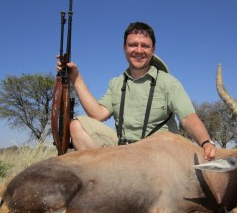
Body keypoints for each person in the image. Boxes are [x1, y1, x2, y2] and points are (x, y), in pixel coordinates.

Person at [57, 22, 216, 160]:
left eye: (145, 46)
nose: (138, 50)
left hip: (159, 153)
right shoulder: (116, 82)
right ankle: (103, 180)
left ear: (153, 50)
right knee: (77, 125)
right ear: (124, 48)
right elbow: (98, 114)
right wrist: (76, 78)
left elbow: (188, 118)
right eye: (133, 45)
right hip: (123, 151)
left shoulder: (168, 82)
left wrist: (206, 142)